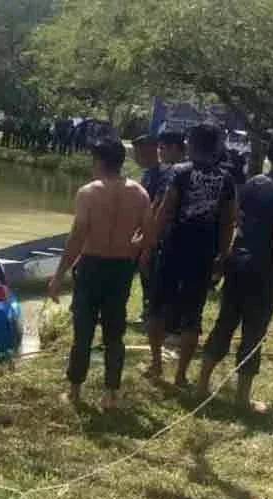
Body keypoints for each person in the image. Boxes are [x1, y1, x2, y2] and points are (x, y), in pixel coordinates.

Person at [196, 135, 273, 410]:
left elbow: (238, 224)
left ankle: (201, 384)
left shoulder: (253, 183)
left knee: (225, 323)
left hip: (238, 264)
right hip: (262, 270)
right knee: (254, 332)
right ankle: (242, 399)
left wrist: (225, 258)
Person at [47, 138, 151, 409]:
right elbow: (150, 234)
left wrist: (59, 275)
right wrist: (134, 247)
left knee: (83, 331)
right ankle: (111, 394)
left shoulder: (88, 193)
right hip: (121, 268)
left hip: (92, 266)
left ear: (100, 162)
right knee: (114, 333)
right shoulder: (140, 193)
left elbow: (77, 237)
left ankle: (74, 391)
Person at [143, 123, 238, 387]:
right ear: (216, 147)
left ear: (191, 145)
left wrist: (149, 244)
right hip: (204, 253)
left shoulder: (179, 172)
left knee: (157, 307)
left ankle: (156, 364)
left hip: (174, 248)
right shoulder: (226, 180)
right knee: (192, 315)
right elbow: (228, 222)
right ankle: (181, 374)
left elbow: (164, 211)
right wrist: (223, 255)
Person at [133, 134, 172, 324]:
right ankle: (148, 310)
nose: (135, 157)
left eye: (138, 153)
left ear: (149, 150)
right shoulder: (148, 173)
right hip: (143, 231)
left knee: (153, 274)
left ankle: (155, 313)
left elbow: (157, 205)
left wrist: (147, 235)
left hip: (157, 234)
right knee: (144, 273)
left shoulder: (166, 173)